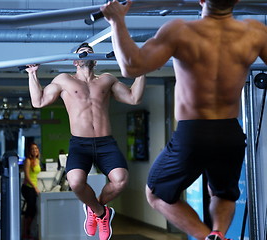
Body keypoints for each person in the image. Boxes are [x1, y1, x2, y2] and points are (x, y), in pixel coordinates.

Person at [101, 0, 267, 240]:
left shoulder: (181, 31)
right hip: (230, 131)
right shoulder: (255, 32)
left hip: (194, 132)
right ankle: (219, 234)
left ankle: (207, 237)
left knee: (157, 193)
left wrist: (117, 22)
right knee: (224, 193)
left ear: (200, 0)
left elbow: (132, 66)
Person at [26, 42, 146, 240]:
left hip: (106, 143)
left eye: (89, 53)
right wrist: (32, 74)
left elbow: (134, 98)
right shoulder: (64, 80)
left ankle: (94, 209)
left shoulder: (107, 80)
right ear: (75, 61)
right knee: (75, 182)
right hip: (80, 144)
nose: (85, 54)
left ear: (95, 59)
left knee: (121, 180)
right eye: (81, 53)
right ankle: (101, 213)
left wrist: (142, 72)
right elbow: (38, 101)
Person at [21, 143, 41, 240]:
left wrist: (36, 187)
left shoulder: (37, 160)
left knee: (32, 211)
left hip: (33, 188)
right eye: (32, 149)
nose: (34, 150)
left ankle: (27, 232)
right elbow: (27, 176)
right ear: (29, 151)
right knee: (30, 211)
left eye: (36, 148)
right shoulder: (27, 161)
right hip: (27, 188)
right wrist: (35, 187)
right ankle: (25, 233)